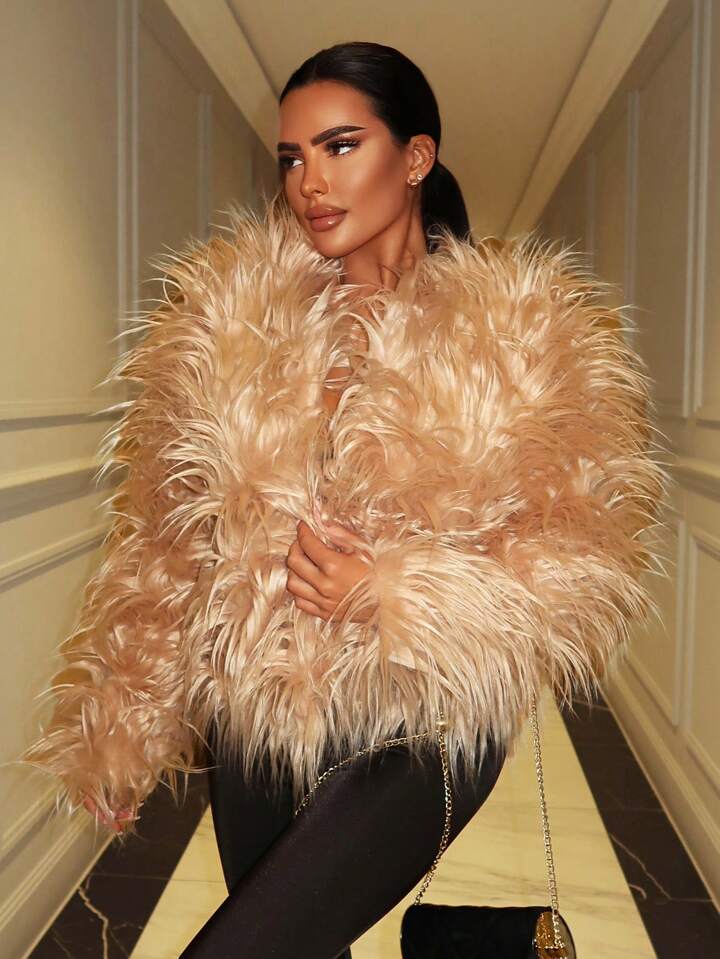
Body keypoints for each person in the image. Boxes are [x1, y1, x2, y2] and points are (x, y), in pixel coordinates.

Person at [22, 41, 669, 959]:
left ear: (415, 157)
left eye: (339, 146)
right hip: (257, 715)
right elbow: (164, 542)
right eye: (292, 157)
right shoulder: (225, 328)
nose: (310, 182)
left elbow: (584, 563)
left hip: (422, 722)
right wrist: (119, 724)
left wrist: (395, 590)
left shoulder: (525, 339)